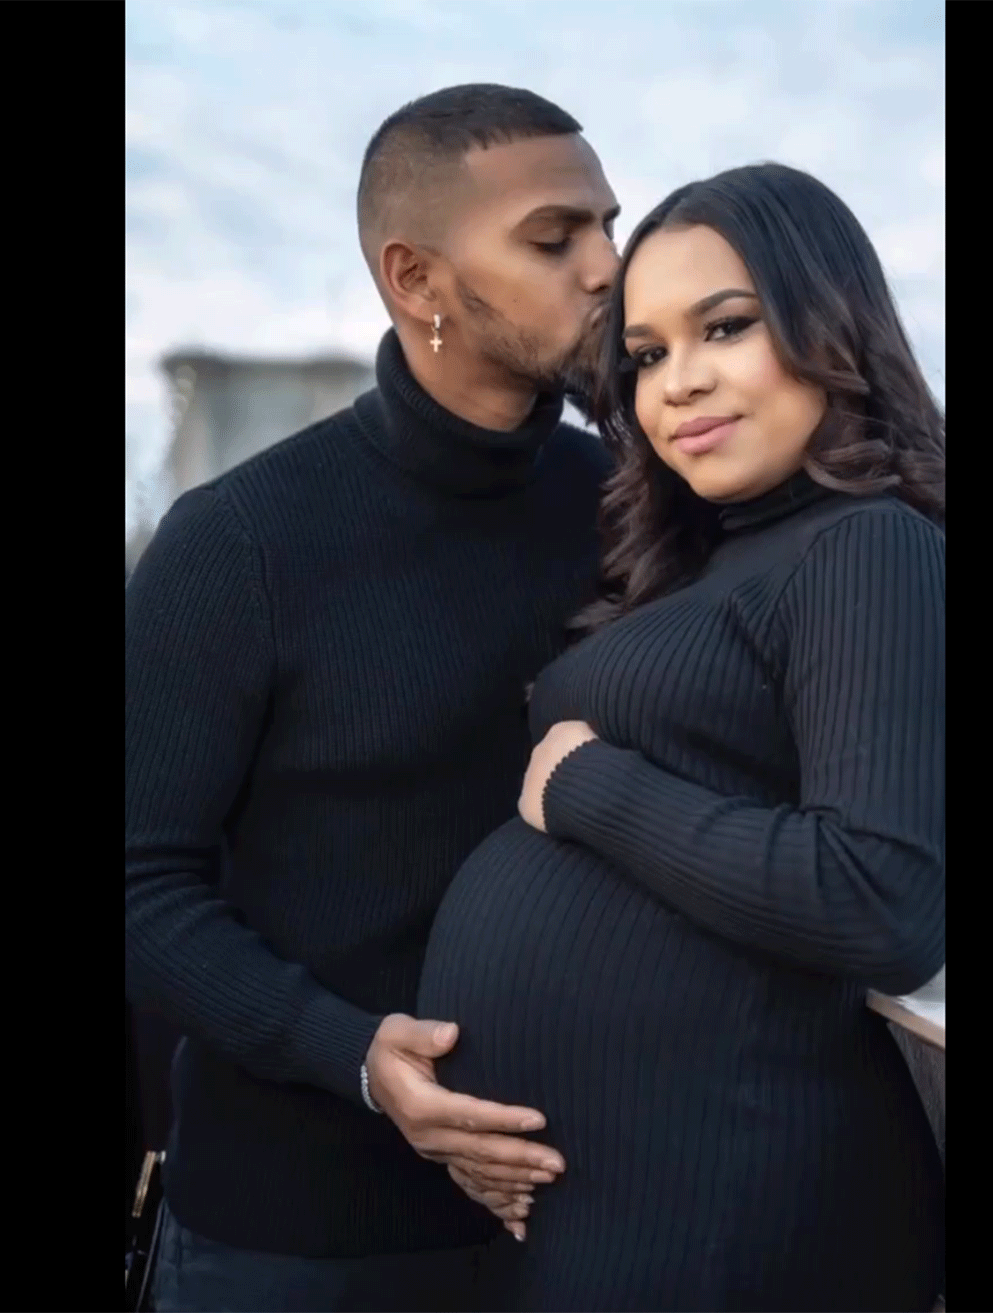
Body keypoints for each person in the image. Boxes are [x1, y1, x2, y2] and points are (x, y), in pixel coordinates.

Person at [417, 162, 946, 1312]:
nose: (679, 384)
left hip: (733, 1196)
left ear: (830, 317)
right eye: (647, 355)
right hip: (634, 1195)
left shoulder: (867, 546)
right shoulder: (711, 560)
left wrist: (593, 787)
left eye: (726, 326)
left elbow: (880, 897)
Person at [125, 83, 620, 1313]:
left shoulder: (628, 507)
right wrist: (351, 1056)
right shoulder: (237, 542)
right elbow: (140, 882)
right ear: (417, 277)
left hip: (584, 1214)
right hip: (297, 1240)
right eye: (556, 238)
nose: (609, 266)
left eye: (611, 225)